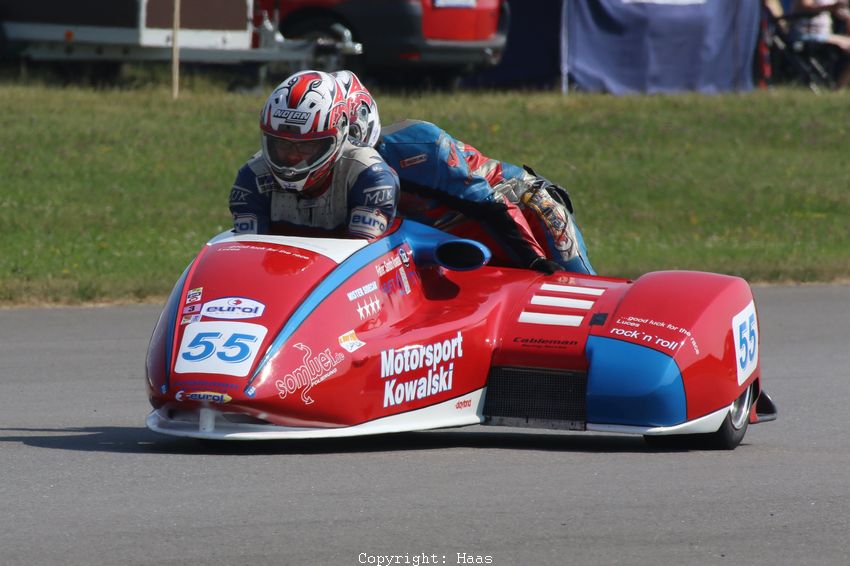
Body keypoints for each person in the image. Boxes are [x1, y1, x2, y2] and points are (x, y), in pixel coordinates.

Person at [332, 70, 594, 275]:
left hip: (517, 209)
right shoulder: (313, 171)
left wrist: (534, 260)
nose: (300, 155)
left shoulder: (419, 147)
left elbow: (490, 205)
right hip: (446, 240)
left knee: (576, 285)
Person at [229, 70, 399, 239]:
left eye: (307, 145)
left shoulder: (369, 176)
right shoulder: (252, 178)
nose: (292, 157)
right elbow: (248, 252)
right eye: (282, 143)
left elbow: (362, 257)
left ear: (337, 139)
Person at [791, 0, 850, 88]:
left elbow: (841, 12)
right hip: (807, 35)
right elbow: (806, 7)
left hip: (825, 36)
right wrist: (832, 7)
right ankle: (837, 89)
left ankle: (838, 88)